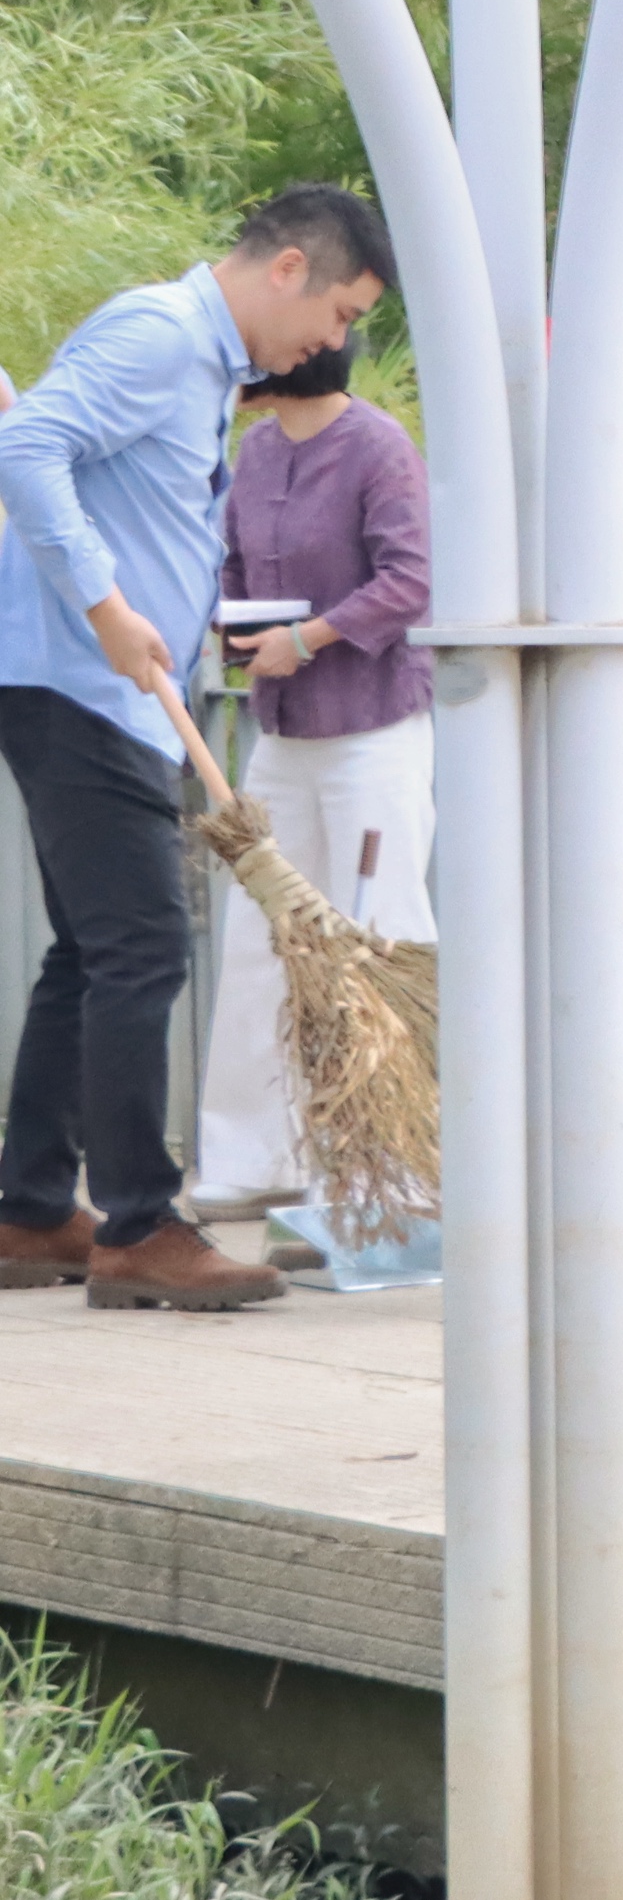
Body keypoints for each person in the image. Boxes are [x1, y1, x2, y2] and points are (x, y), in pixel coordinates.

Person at [0, 186, 397, 1311]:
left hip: (112, 693)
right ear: (287, 271)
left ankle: (30, 1210)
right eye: (339, 311)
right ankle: (137, 1228)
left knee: (89, 952)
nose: (335, 341)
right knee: (144, 949)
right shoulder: (161, 335)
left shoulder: (206, 365)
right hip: (79, 681)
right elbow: (25, 443)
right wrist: (106, 605)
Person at [184, 339, 435, 1218]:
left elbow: (410, 580)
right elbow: (235, 566)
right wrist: (238, 628)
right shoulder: (253, 453)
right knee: (260, 935)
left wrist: (312, 636)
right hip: (280, 727)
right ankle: (253, 1157)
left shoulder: (380, 447)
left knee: (377, 928)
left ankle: (393, 1164)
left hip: (374, 726)